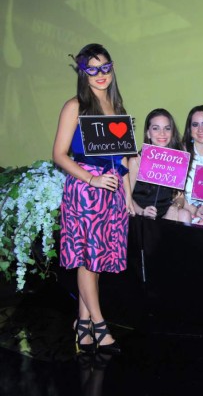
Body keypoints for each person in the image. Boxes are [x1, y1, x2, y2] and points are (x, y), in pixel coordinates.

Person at [52, 43, 134, 355]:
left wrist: (126, 195)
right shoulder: (75, 106)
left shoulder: (119, 109)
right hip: (85, 190)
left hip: (111, 191)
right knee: (88, 259)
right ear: (83, 73)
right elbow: (58, 155)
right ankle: (100, 324)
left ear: (112, 69)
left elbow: (122, 160)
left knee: (96, 260)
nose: (100, 75)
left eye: (105, 67)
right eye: (92, 69)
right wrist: (92, 179)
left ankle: (82, 323)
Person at [128, 108, 189, 222]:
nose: (162, 133)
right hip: (140, 216)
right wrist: (142, 211)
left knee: (184, 214)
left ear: (172, 133)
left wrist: (175, 207)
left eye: (167, 128)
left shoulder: (178, 160)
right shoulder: (136, 160)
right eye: (156, 128)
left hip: (167, 217)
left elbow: (180, 198)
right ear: (148, 133)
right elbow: (127, 196)